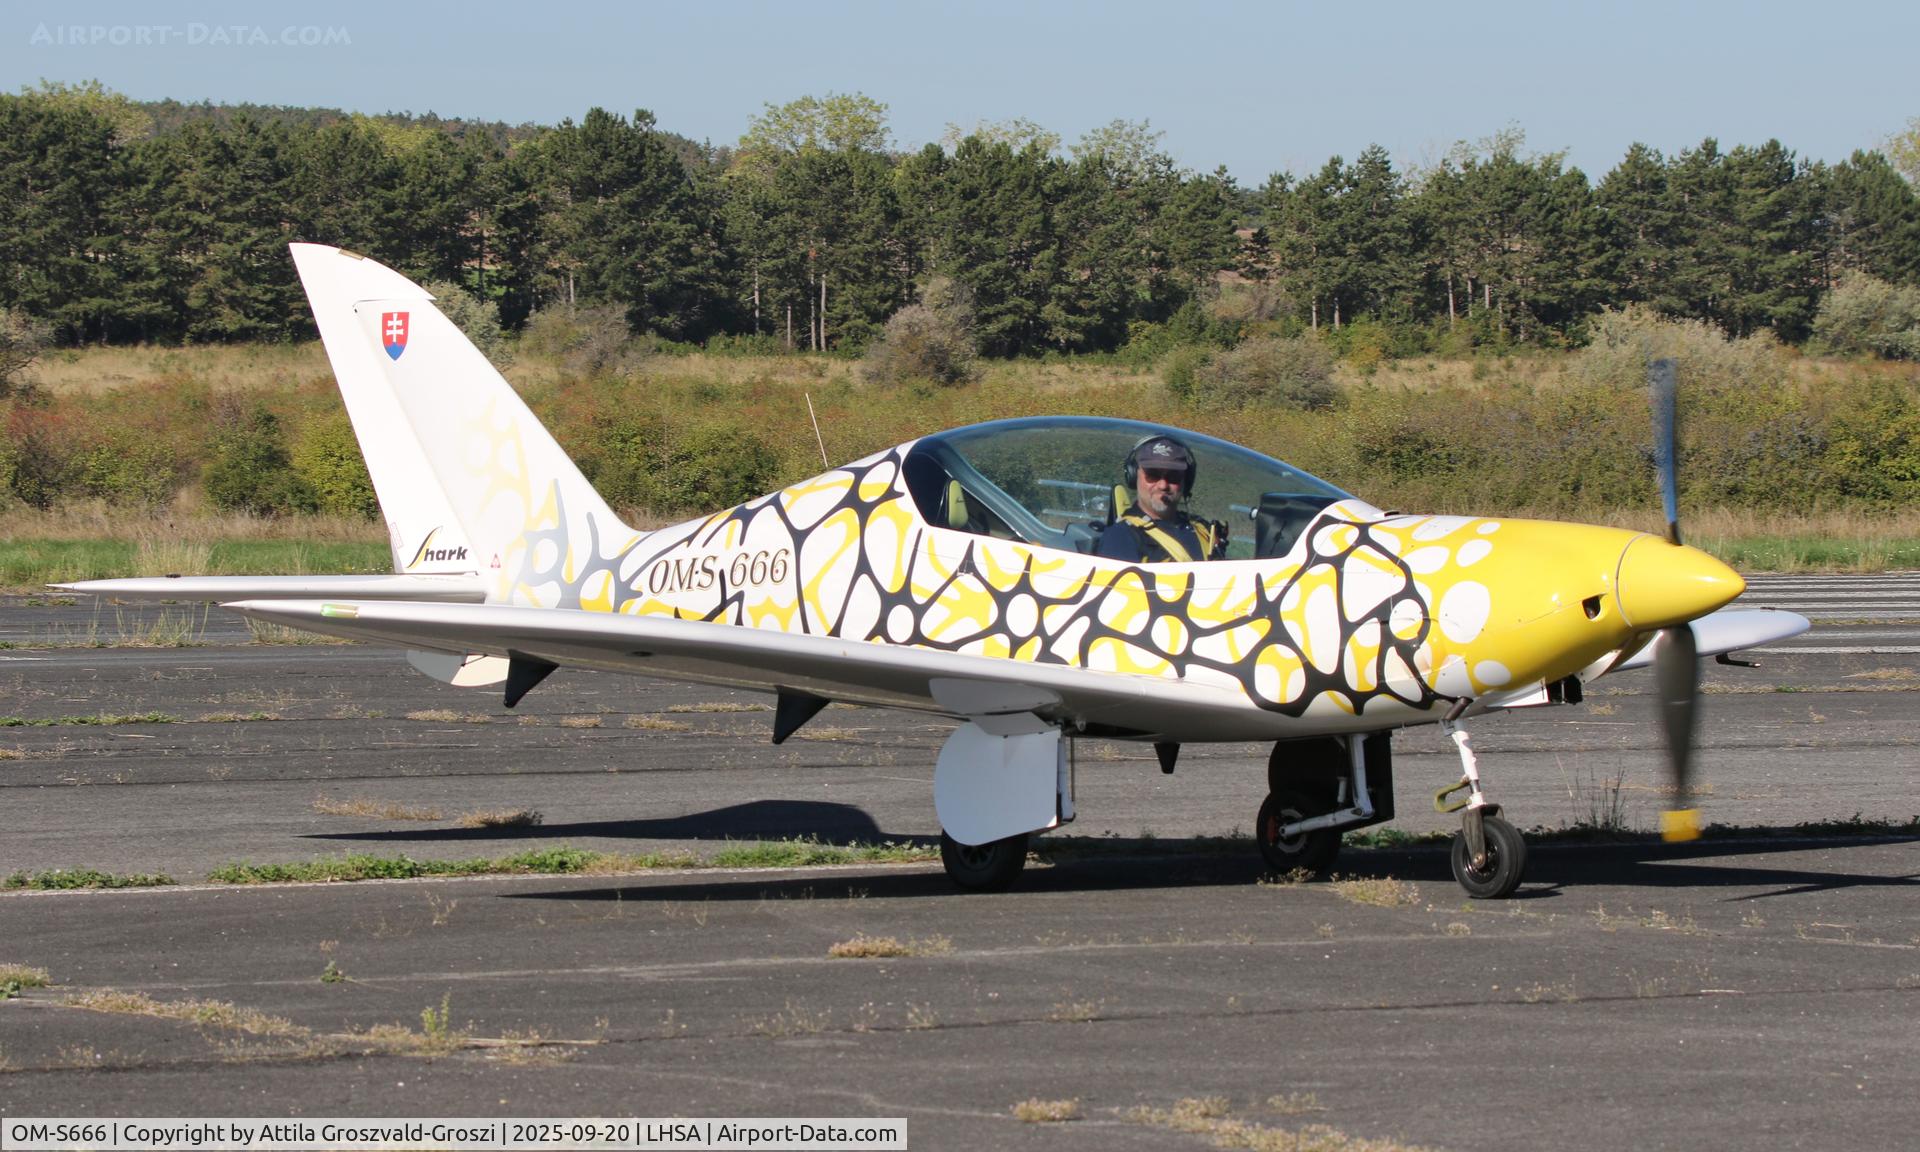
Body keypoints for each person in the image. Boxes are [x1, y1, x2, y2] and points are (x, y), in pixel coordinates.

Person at [1094, 434, 1225, 562]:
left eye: (1173, 476)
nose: (1163, 485)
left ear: (1187, 480)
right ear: (1133, 475)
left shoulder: (1203, 530)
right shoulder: (1121, 537)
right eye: (1153, 475)